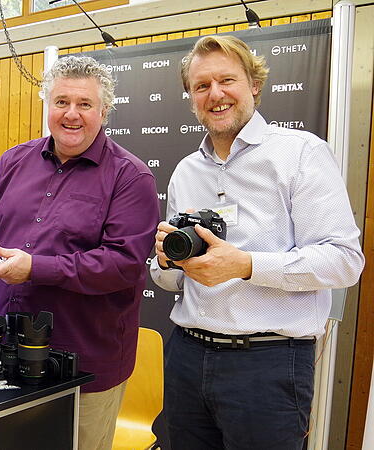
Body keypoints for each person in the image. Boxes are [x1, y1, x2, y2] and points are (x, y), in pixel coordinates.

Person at [150, 35, 364, 449]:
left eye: (226, 80)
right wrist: (166, 265)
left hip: (268, 365)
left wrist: (246, 265)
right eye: (201, 85)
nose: (215, 94)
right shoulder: (186, 171)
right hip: (187, 358)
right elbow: (172, 282)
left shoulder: (300, 154)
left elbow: (344, 261)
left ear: (254, 85)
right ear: (190, 97)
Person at [0, 55, 158, 450]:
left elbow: (122, 265)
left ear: (104, 111)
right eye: (61, 102)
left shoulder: (131, 177)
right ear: (47, 105)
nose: (71, 114)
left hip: (86, 366)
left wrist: (35, 269)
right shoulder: (14, 161)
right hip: (7, 350)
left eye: (84, 104)